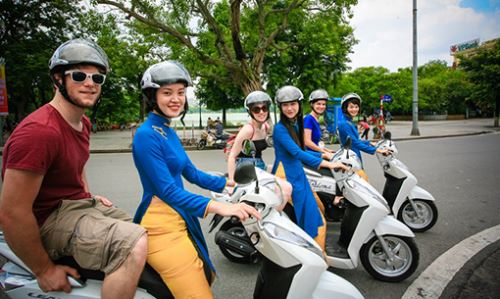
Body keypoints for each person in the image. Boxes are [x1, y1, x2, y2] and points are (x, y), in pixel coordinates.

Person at [0, 38, 147, 297]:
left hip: (74, 207)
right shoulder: (40, 133)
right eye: (79, 75)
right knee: (133, 245)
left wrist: (86, 195)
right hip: (47, 220)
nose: (90, 83)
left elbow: (78, 167)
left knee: (149, 229)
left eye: (97, 78)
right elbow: (12, 212)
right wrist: (44, 270)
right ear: (58, 79)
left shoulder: (82, 124)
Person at [132, 60, 261, 298]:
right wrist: (220, 207)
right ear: (152, 96)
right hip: (161, 225)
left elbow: (191, 173)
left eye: (180, 93)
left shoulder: (167, 131)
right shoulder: (146, 135)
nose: (176, 99)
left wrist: (229, 182)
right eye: (167, 92)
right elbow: (167, 191)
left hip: (180, 215)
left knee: (203, 272)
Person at [271, 85, 349, 250]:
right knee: (308, 214)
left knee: (313, 210)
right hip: (286, 175)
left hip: (297, 172)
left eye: (293, 104)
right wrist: (329, 163)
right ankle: (310, 251)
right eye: (285, 105)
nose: (289, 108)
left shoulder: (295, 124)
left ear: (299, 105)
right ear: (280, 107)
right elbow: (297, 152)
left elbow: (303, 151)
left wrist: (324, 155)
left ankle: (313, 248)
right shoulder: (280, 129)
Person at [226, 90, 292, 205]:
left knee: (285, 171)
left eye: (264, 108)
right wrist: (232, 181)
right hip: (246, 169)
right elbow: (232, 156)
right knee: (284, 188)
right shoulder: (248, 129)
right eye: (256, 109)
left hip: (259, 165)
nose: (261, 112)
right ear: (250, 112)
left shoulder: (265, 126)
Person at [337, 93, 389, 180]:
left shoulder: (349, 121)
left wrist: (370, 142)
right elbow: (355, 143)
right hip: (349, 160)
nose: (354, 109)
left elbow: (355, 140)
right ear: (345, 108)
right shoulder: (344, 123)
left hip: (354, 158)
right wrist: (377, 150)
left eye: (356, 107)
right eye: (351, 107)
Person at [304, 89, 334, 154]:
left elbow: (315, 142)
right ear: (312, 104)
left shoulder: (316, 119)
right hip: (310, 157)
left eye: (324, 104)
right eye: (318, 104)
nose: (321, 106)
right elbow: (307, 142)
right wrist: (324, 152)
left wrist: (327, 150)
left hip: (316, 154)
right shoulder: (308, 119)